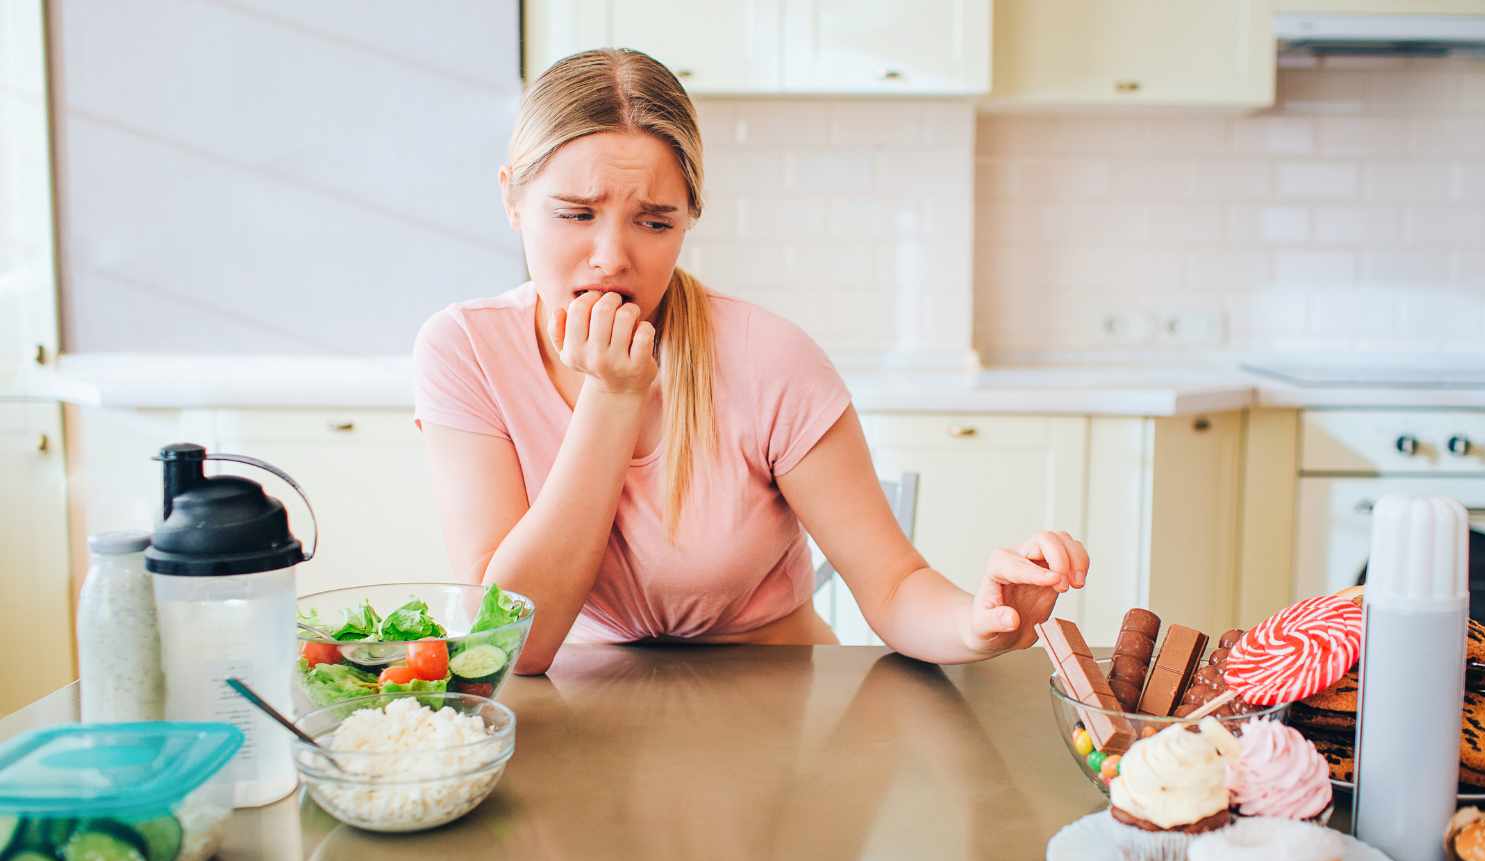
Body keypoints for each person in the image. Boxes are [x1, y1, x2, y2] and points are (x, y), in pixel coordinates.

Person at [413, 48, 1088, 676]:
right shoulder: (466, 351)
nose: (611, 256)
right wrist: (612, 398)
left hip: (782, 707)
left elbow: (893, 584)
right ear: (512, 198)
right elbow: (511, 646)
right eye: (575, 213)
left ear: (688, 220)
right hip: (582, 712)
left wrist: (978, 622)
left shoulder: (769, 358)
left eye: (654, 223)